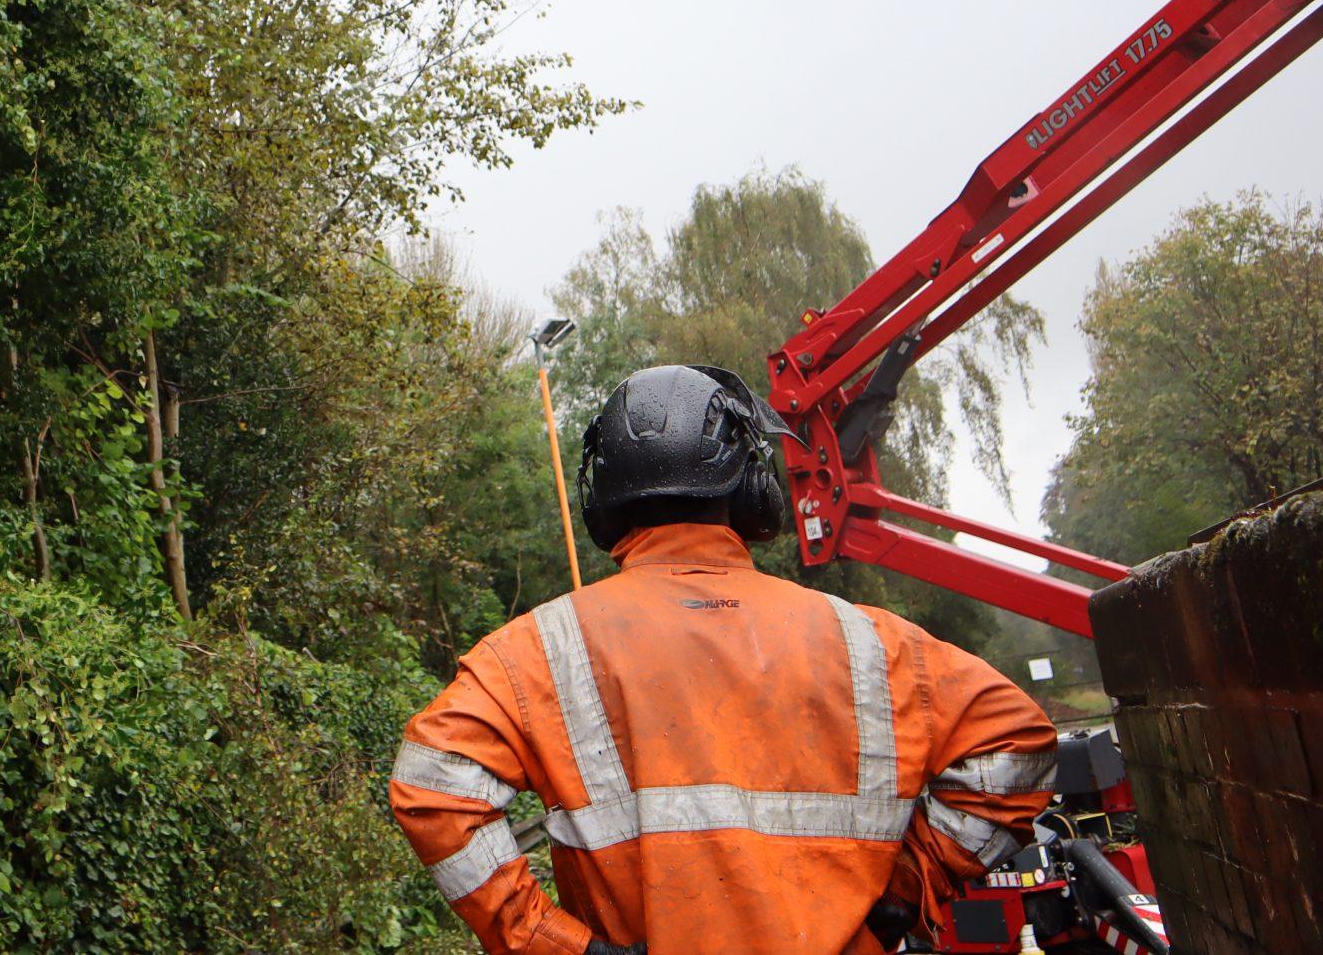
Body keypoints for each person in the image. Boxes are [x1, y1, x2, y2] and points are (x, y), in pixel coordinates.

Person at [389, 365, 1057, 955]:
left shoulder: (540, 648)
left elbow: (433, 786)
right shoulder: (869, 642)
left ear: (602, 498)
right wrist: (904, 890)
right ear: (750, 487)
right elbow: (1017, 744)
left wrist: (556, 944)